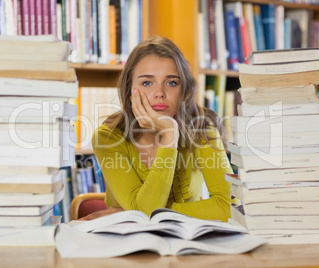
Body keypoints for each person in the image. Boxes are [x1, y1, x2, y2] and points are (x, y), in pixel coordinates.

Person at [81, 36, 233, 221]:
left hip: (185, 243)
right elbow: (143, 211)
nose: (160, 93)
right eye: (147, 83)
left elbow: (230, 207)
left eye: (171, 83)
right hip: (128, 243)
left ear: (183, 89)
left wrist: (134, 213)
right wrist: (170, 136)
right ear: (130, 91)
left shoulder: (202, 130)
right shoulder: (108, 137)